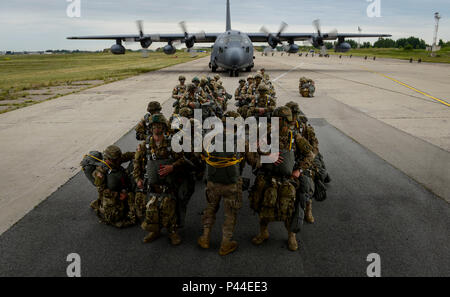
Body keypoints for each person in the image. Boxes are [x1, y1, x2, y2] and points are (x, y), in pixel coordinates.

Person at [248, 106, 315, 251]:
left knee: (288, 208)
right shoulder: (265, 135)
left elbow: (310, 155)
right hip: (267, 177)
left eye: (278, 120)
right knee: (262, 205)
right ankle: (263, 232)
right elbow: (251, 154)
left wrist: (299, 170)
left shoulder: (295, 137)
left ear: (286, 121)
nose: (274, 123)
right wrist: (266, 158)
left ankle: (291, 236)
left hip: (286, 179)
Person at [198, 111, 258, 255]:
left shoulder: (209, 138)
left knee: (210, 209)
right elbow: (253, 162)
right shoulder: (242, 141)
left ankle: (205, 238)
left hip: (212, 183)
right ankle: (225, 243)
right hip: (232, 184)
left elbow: (199, 156)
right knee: (230, 214)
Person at [133, 114, 186, 245]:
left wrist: (172, 167)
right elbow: (137, 162)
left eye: (159, 126)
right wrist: (137, 179)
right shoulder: (145, 145)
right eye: (154, 126)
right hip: (152, 185)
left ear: (164, 127)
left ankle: (172, 232)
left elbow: (183, 160)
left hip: (168, 185)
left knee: (169, 210)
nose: (157, 129)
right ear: (150, 128)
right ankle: (155, 231)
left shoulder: (171, 143)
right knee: (151, 210)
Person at [92, 145, 136, 228]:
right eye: (117, 159)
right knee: (117, 218)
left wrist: (138, 153)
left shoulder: (116, 159)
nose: (119, 160)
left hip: (121, 186)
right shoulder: (101, 172)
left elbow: (128, 156)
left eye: (119, 158)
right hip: (113, 195)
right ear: (109, 159)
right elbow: (102, 191)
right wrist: (118, 195)